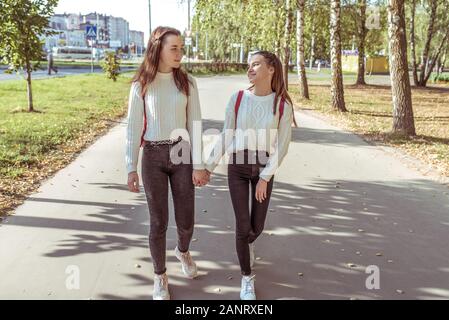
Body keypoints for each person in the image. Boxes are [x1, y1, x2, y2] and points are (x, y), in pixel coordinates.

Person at [125, 26, 210, 300]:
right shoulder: (141, 85)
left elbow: (195, 124)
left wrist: (199, 164)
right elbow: (133, 127)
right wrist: (131, 167)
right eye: (174, 48)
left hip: (181, 153)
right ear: (158, 49)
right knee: (158, 222)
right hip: (152, 156)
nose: (180, 54)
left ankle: (183, 251)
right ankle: (160, 275)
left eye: (181, 48)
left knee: (186, 220)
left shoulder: (187, 82)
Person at [205, 51, 297, 300]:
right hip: (237, 167)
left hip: (264, 169)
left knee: (257, 227)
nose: (251, 69)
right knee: (242, 226)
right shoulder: (237, 99)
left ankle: (248, 243)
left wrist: (266, 177)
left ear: (271, 69)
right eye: (249, 65)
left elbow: (283, 146)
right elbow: (225, 135)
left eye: (256, 64)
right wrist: (207, 166)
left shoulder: (282, 104)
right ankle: (246, 278)